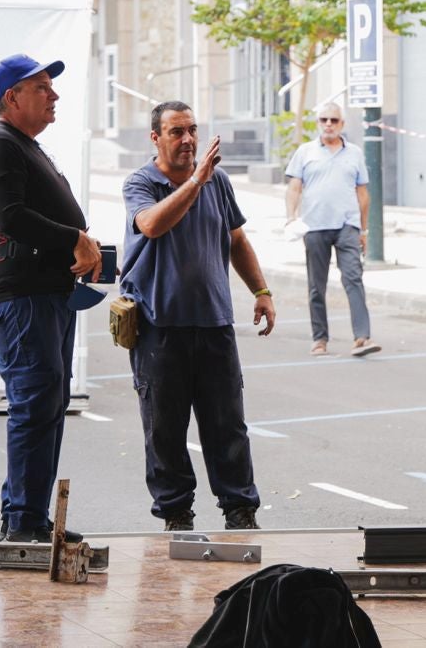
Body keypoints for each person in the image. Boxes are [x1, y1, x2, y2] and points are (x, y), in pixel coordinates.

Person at [120, 101, 276, 532]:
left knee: (227, 425)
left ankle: (240, 510)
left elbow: (237, 239)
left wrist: (261, 291)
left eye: (192, 130)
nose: (188, 139)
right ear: (156, 138)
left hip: (214, 324)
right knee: (164, 430)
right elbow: (151, 224)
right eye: (176, 132)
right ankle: (176, 513)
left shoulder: (217, 181)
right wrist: (195, 181)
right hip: (158, 326)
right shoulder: (141, 183)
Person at [0, 54, 103, 543]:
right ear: (12, 98)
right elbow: (10, 218)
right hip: (24, 300)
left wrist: (82, 243)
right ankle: (22, 522)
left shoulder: (27, 147)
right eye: (43, 87)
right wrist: (73, 238)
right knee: (34, 404)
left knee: (49, 404)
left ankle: (31, 518)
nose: (54, 95)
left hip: (49, 296)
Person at [283, 102, 378, 357]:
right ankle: (320, 339)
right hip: (314, 226)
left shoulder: (355, 153)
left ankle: (362, 337)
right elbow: (294, 188)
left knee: (353, 278)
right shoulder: (305, 152)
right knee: (317, 286)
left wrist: (364, 230)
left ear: (342, 125)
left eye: (334, 120)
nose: (328, 124)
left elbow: (363, 195)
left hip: (347, 226)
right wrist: (290, 218)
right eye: (324, 119)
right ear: (318, 123)